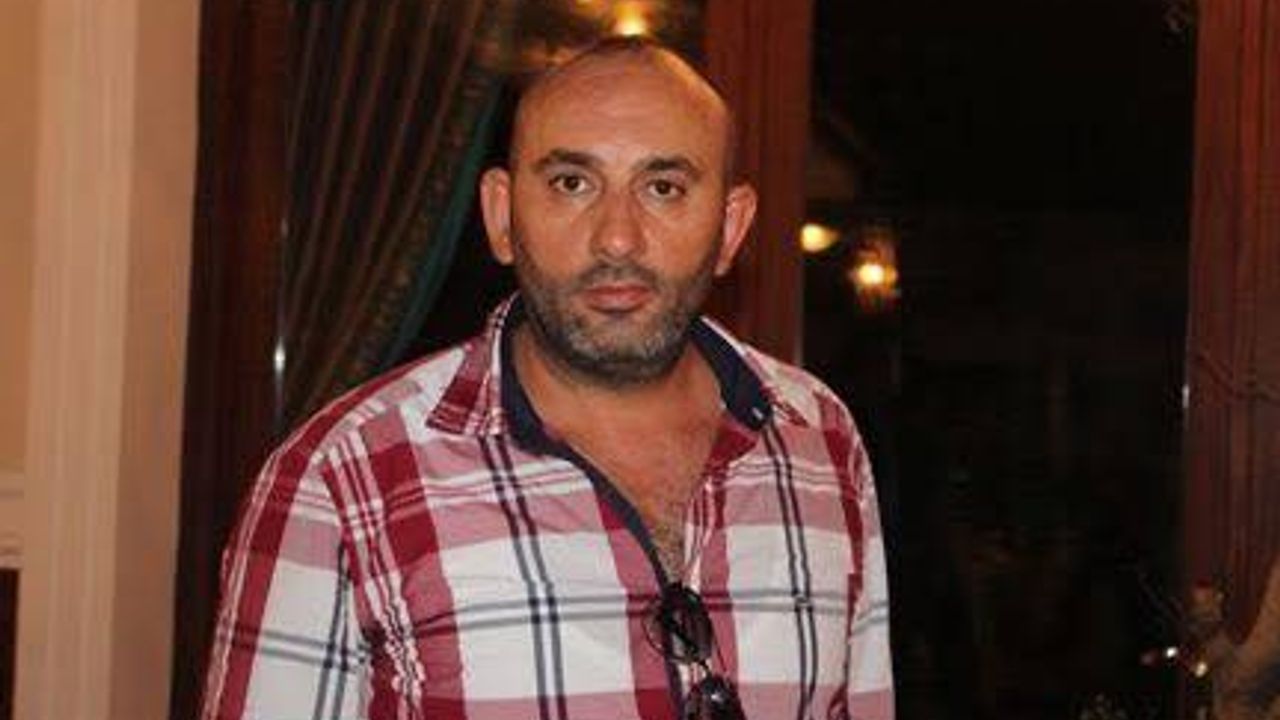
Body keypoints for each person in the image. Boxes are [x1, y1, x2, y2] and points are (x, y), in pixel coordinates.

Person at [200, 36, 893, 720]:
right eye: (571, 183)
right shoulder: (341, 479)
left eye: (663, 188)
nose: (617, 238)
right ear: (501, 216)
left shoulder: (821, 438)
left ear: (731, 227)